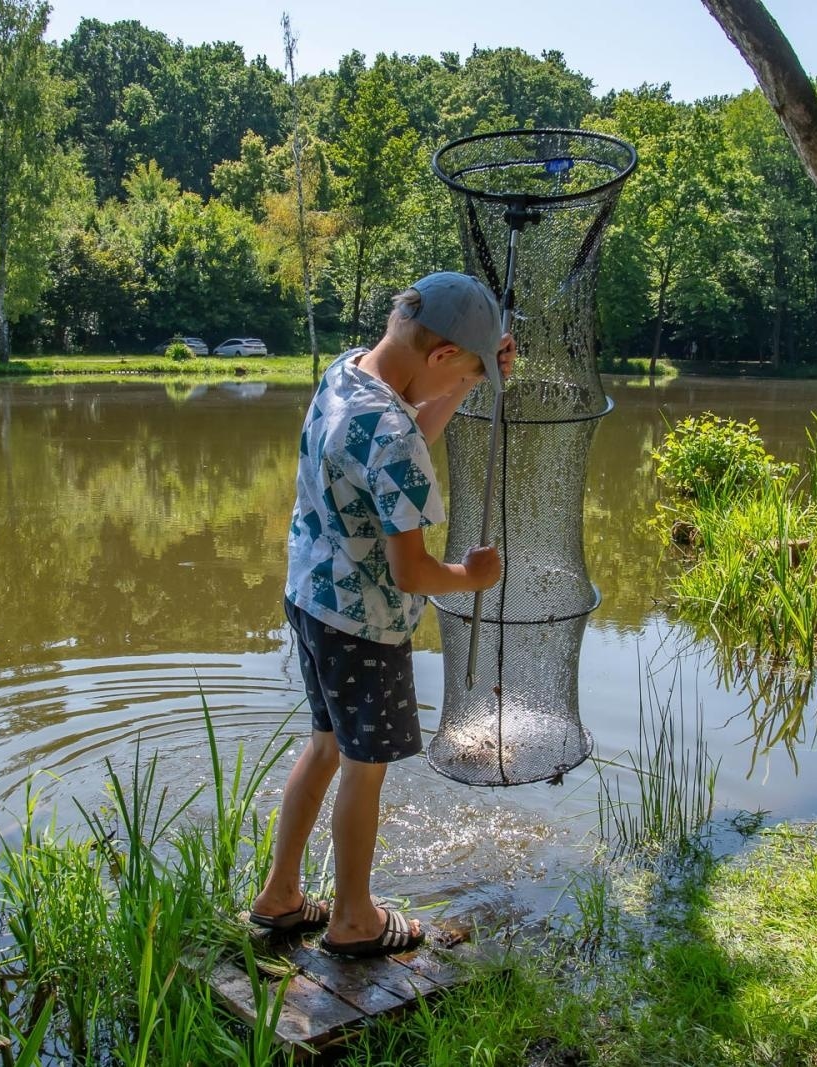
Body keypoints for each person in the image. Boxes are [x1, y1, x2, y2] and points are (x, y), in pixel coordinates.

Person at [249, 272, 514, 958]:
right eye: (464, 366)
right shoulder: (393, 434)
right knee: (365, 767)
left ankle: (281, 895)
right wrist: (471, 576)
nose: (462, 379)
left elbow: (405, 434)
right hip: (364, 624)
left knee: (326, 745)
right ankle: (355, 918)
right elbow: (411, 571)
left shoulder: (347, 376)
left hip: (312, 597)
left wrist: (468, 380)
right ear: (440, 355)